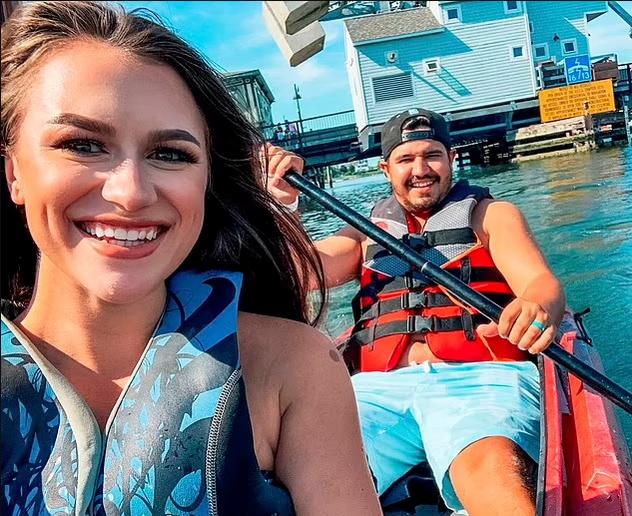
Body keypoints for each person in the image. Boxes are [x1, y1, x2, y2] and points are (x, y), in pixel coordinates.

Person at [0, 2, 382, 515]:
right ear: (14, 173)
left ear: (206, 180)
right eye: (83, 145)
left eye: (170, 154)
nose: (132, 193)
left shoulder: (289, 368)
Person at [266, 108, 567, 515]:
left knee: (489, 469)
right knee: (310, 471)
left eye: (432, 155)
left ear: (452, 159)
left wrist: (536, 308)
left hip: (481, 379)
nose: (421, 169)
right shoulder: (364, 231)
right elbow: (301, 272)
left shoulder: (491, 215)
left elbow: (541, 284)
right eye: (406, 159)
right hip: (377, 389)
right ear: (386, 169)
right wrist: (283, 205)